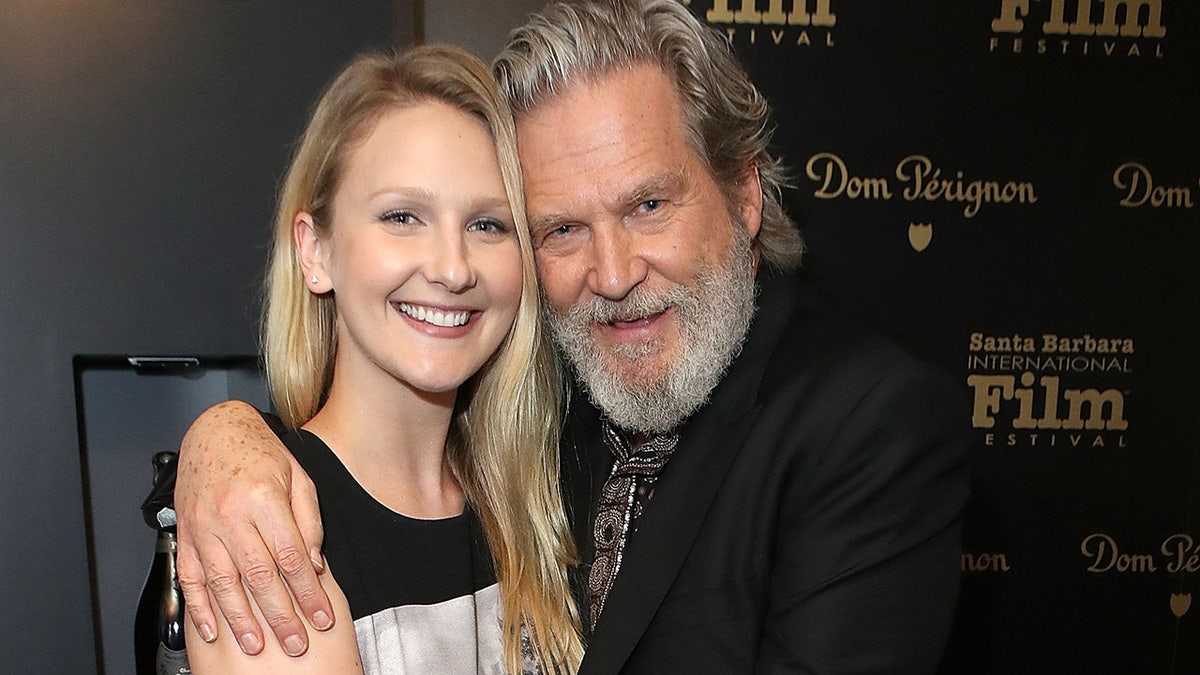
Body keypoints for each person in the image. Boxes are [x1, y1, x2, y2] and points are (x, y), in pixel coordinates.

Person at [176, 1, 970, 673]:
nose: (614, 271)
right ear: (314, 249)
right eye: (561, 227)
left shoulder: (866, 422)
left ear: (745, 193)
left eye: (648, 205)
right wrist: (221, 436)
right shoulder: (548, 413)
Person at [181, 44, 584, 674]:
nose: (452, 268)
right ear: (314, 252)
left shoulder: (544, 495)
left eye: (488, 225)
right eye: (402, 216)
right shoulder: (265, 532)